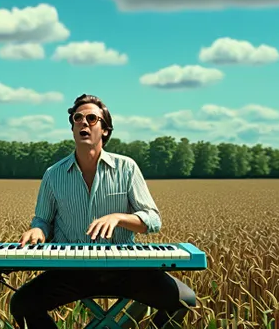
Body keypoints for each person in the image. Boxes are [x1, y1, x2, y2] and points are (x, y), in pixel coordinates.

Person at [10, 94, 196, 328]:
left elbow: (153, 219)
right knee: (22, 304)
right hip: (71, 270)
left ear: (105, 130)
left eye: (91, 118)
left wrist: (118, 218)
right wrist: (37, 230)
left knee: (184, 300)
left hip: (124, 268)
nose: (83, 122)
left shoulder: (126, 167)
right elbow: (42, 220)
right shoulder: (53, 174)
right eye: (78, 118)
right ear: (72, 128)